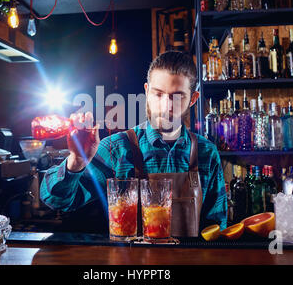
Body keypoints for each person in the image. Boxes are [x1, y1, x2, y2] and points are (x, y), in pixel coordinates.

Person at [40, 51, 227, 236]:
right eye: (158, 94)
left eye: (177, 97)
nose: (166, 106)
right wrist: (77, 161)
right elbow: (57, 201)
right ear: (147, 91)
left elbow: (217, 226)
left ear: (193, 99)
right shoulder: (116, 148)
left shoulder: (206, 152)